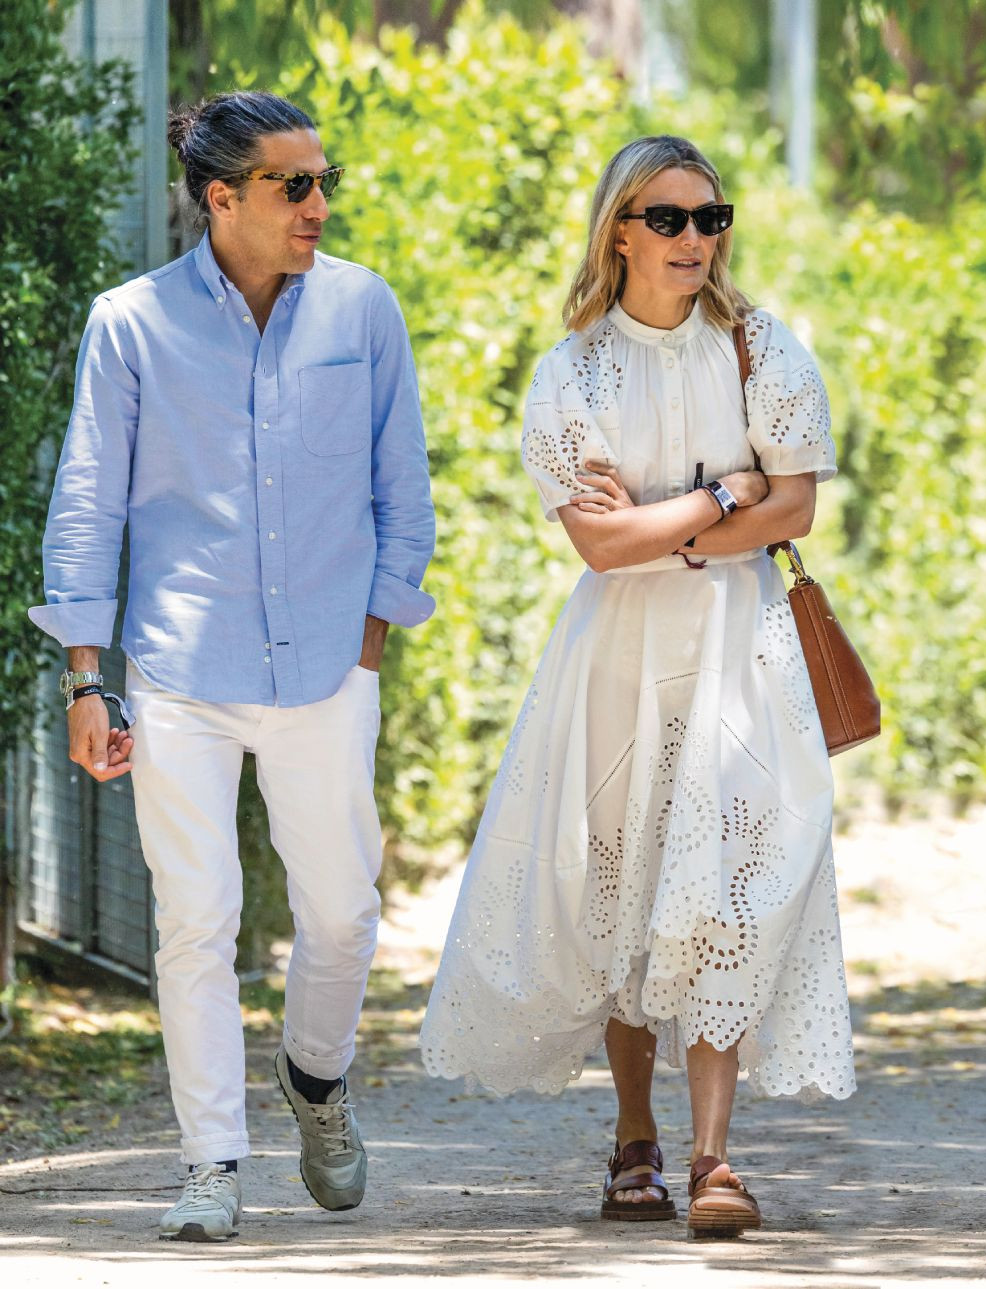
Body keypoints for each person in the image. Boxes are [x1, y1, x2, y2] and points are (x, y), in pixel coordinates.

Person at [420, 135, 854, 1236]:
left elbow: (795, 509)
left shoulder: (763, 350)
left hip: (741, 649)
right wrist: (722, 497)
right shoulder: (572, 374)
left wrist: (667, 524)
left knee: (727, 882)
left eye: (711, 218)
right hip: (614, 657)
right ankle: (633, 1137)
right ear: (620, 230)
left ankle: (713, 1156)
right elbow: (602, 550)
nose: (693, 238)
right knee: (621, 880)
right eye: (668, 219)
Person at [28, 90, 435, 1242]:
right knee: (195, 916)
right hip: (179, 669)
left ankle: (315, 1077)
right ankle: (210, 1160)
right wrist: (87, 676)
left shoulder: (362, 308)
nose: (317, 205)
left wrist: (369, 643)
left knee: (342, 912)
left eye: (322, 182)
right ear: (222, 197)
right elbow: (88, 502)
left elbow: (402, 490)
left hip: (327, 664)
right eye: (292, 184)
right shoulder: (130, 323)